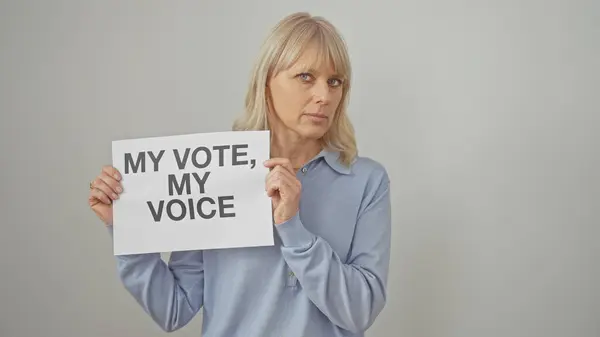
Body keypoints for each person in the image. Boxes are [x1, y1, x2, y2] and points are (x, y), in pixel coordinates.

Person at [88, 12, 391, 337]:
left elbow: (361, 311)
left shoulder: (366, 181)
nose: (324, 96)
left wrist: (293, 228)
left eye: (335, 81)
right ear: (267, 81)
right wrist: (127, 228)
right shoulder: (217, 172)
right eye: (306, 76)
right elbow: (174, 308)